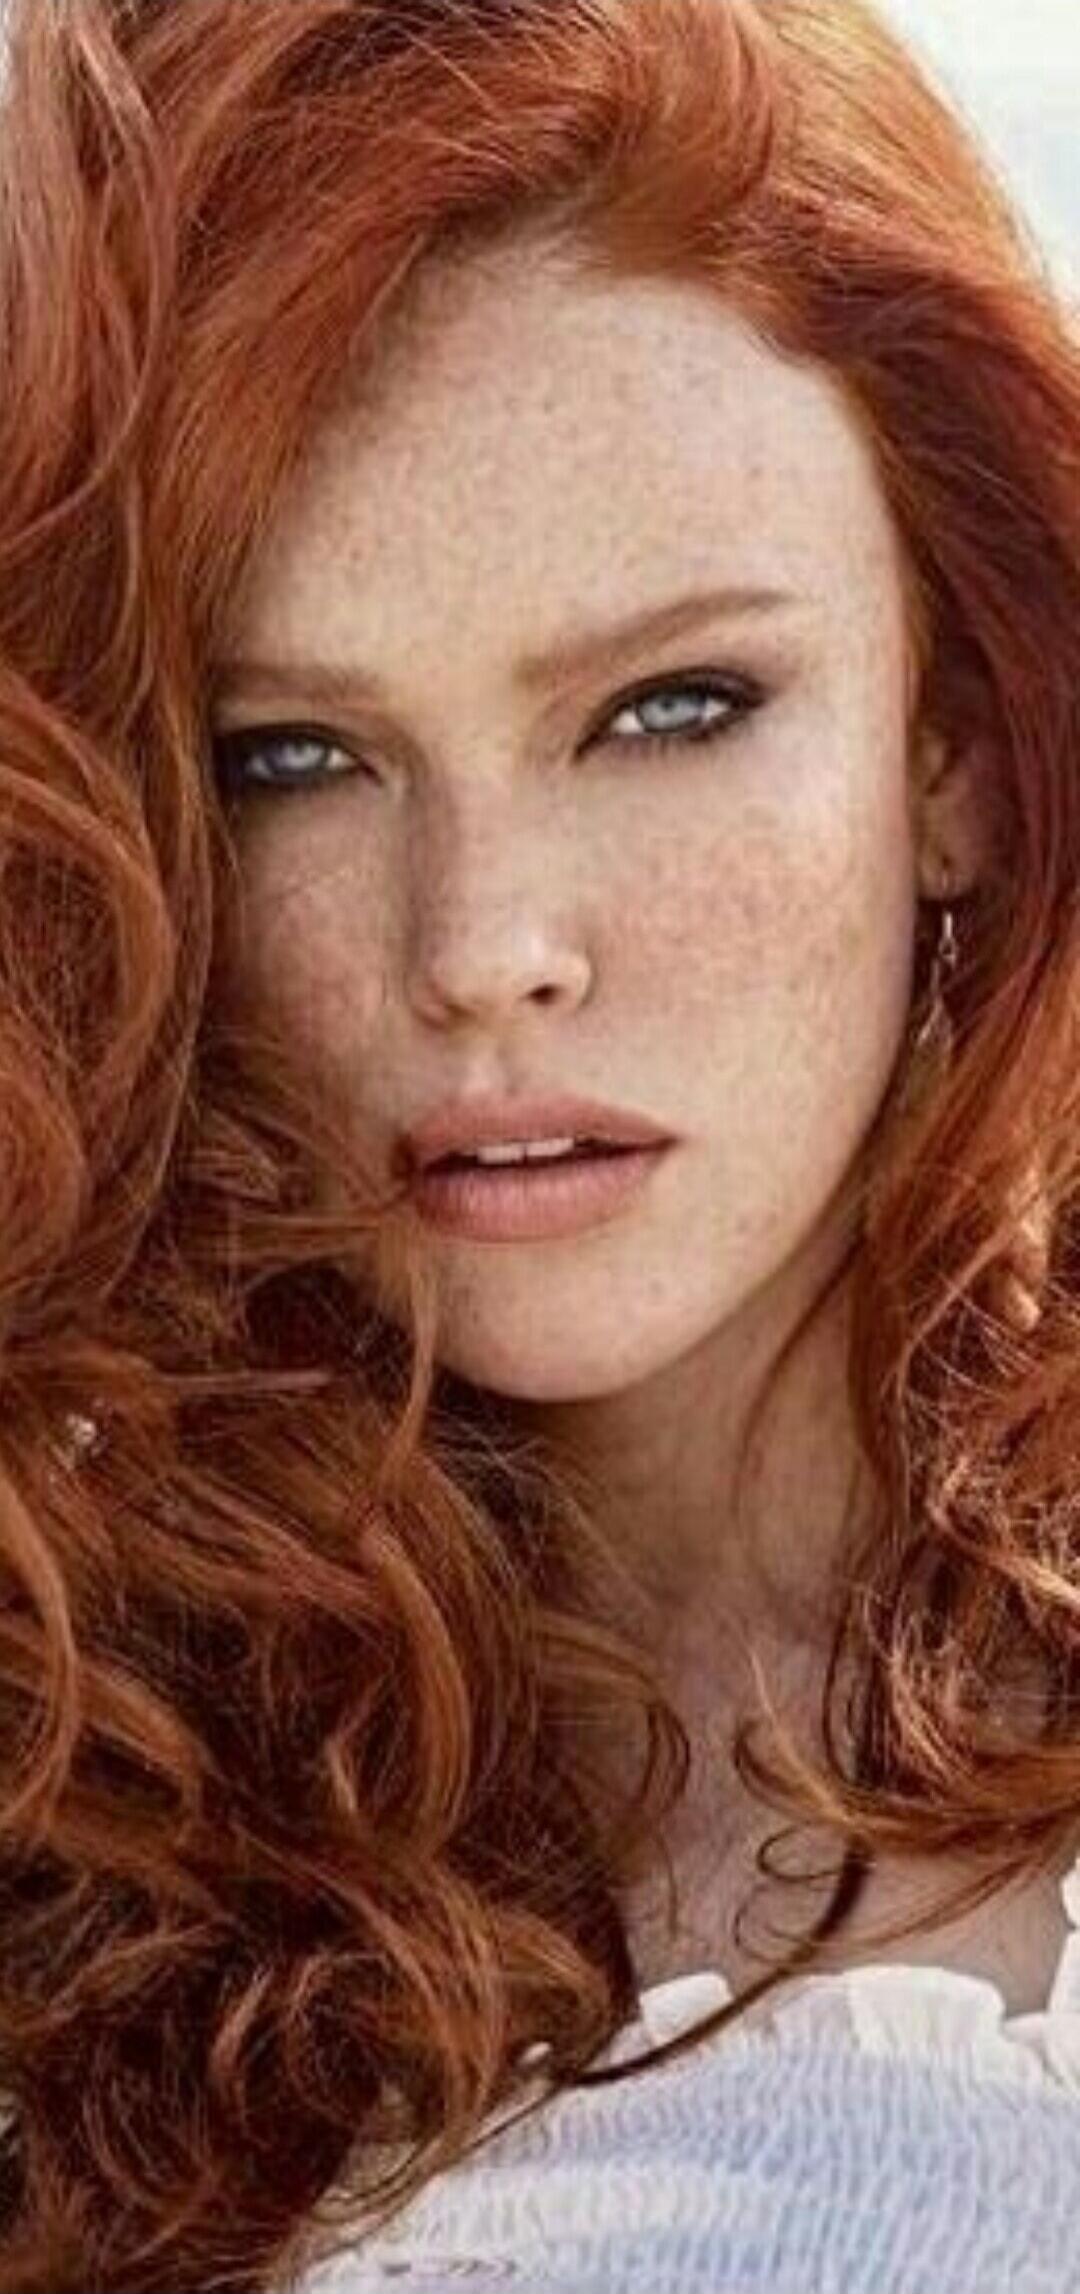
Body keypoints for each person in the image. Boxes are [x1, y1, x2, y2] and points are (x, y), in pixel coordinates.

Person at [0, 0, 1077, 2286]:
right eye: (291, 757)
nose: (483, 949)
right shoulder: (77, 1787)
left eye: (671, 706)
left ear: (961, 748)